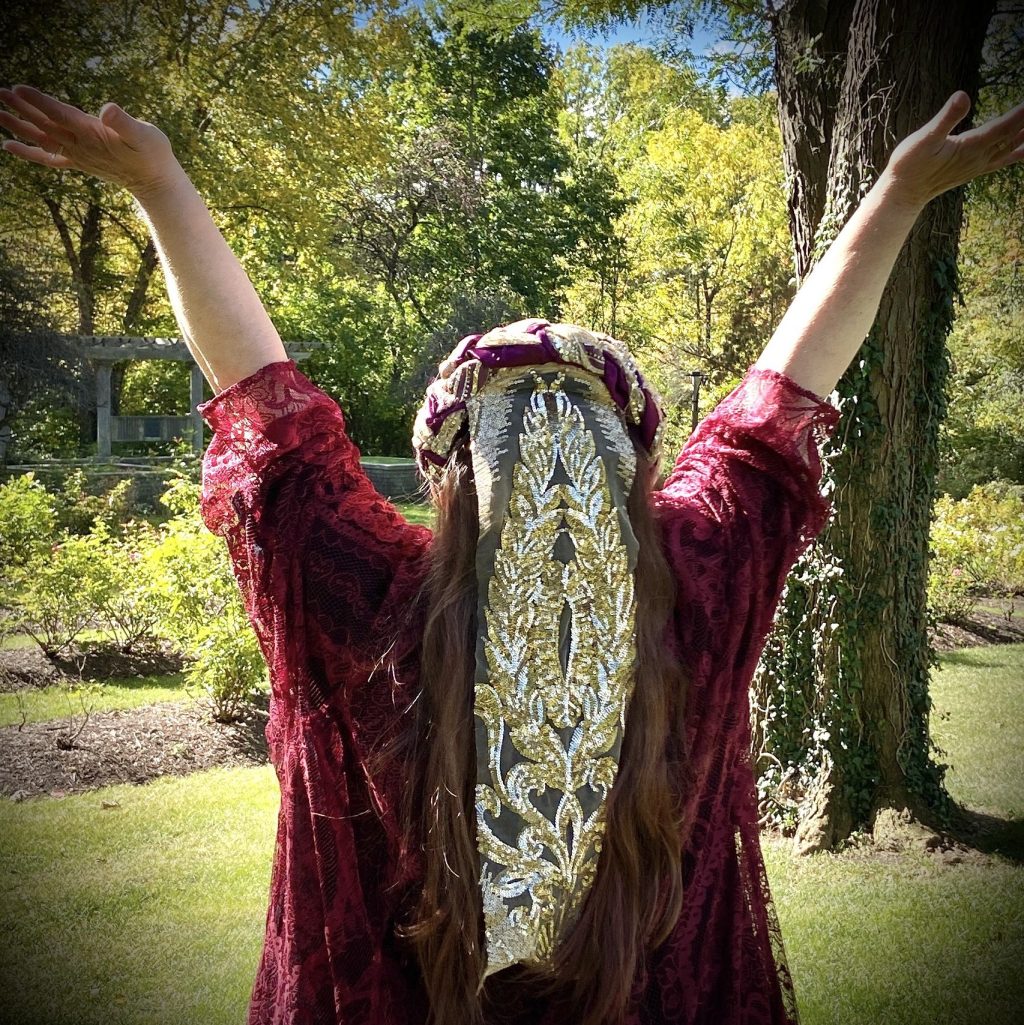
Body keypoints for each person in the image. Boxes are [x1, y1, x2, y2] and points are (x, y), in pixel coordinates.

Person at [1, 81, 1021, 1025]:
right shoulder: (699, 575)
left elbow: (266, 405)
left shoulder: (373, 597)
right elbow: (782, 393)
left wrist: (160, 185)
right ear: (635, 461)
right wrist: (897, 194)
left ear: (446, 473)